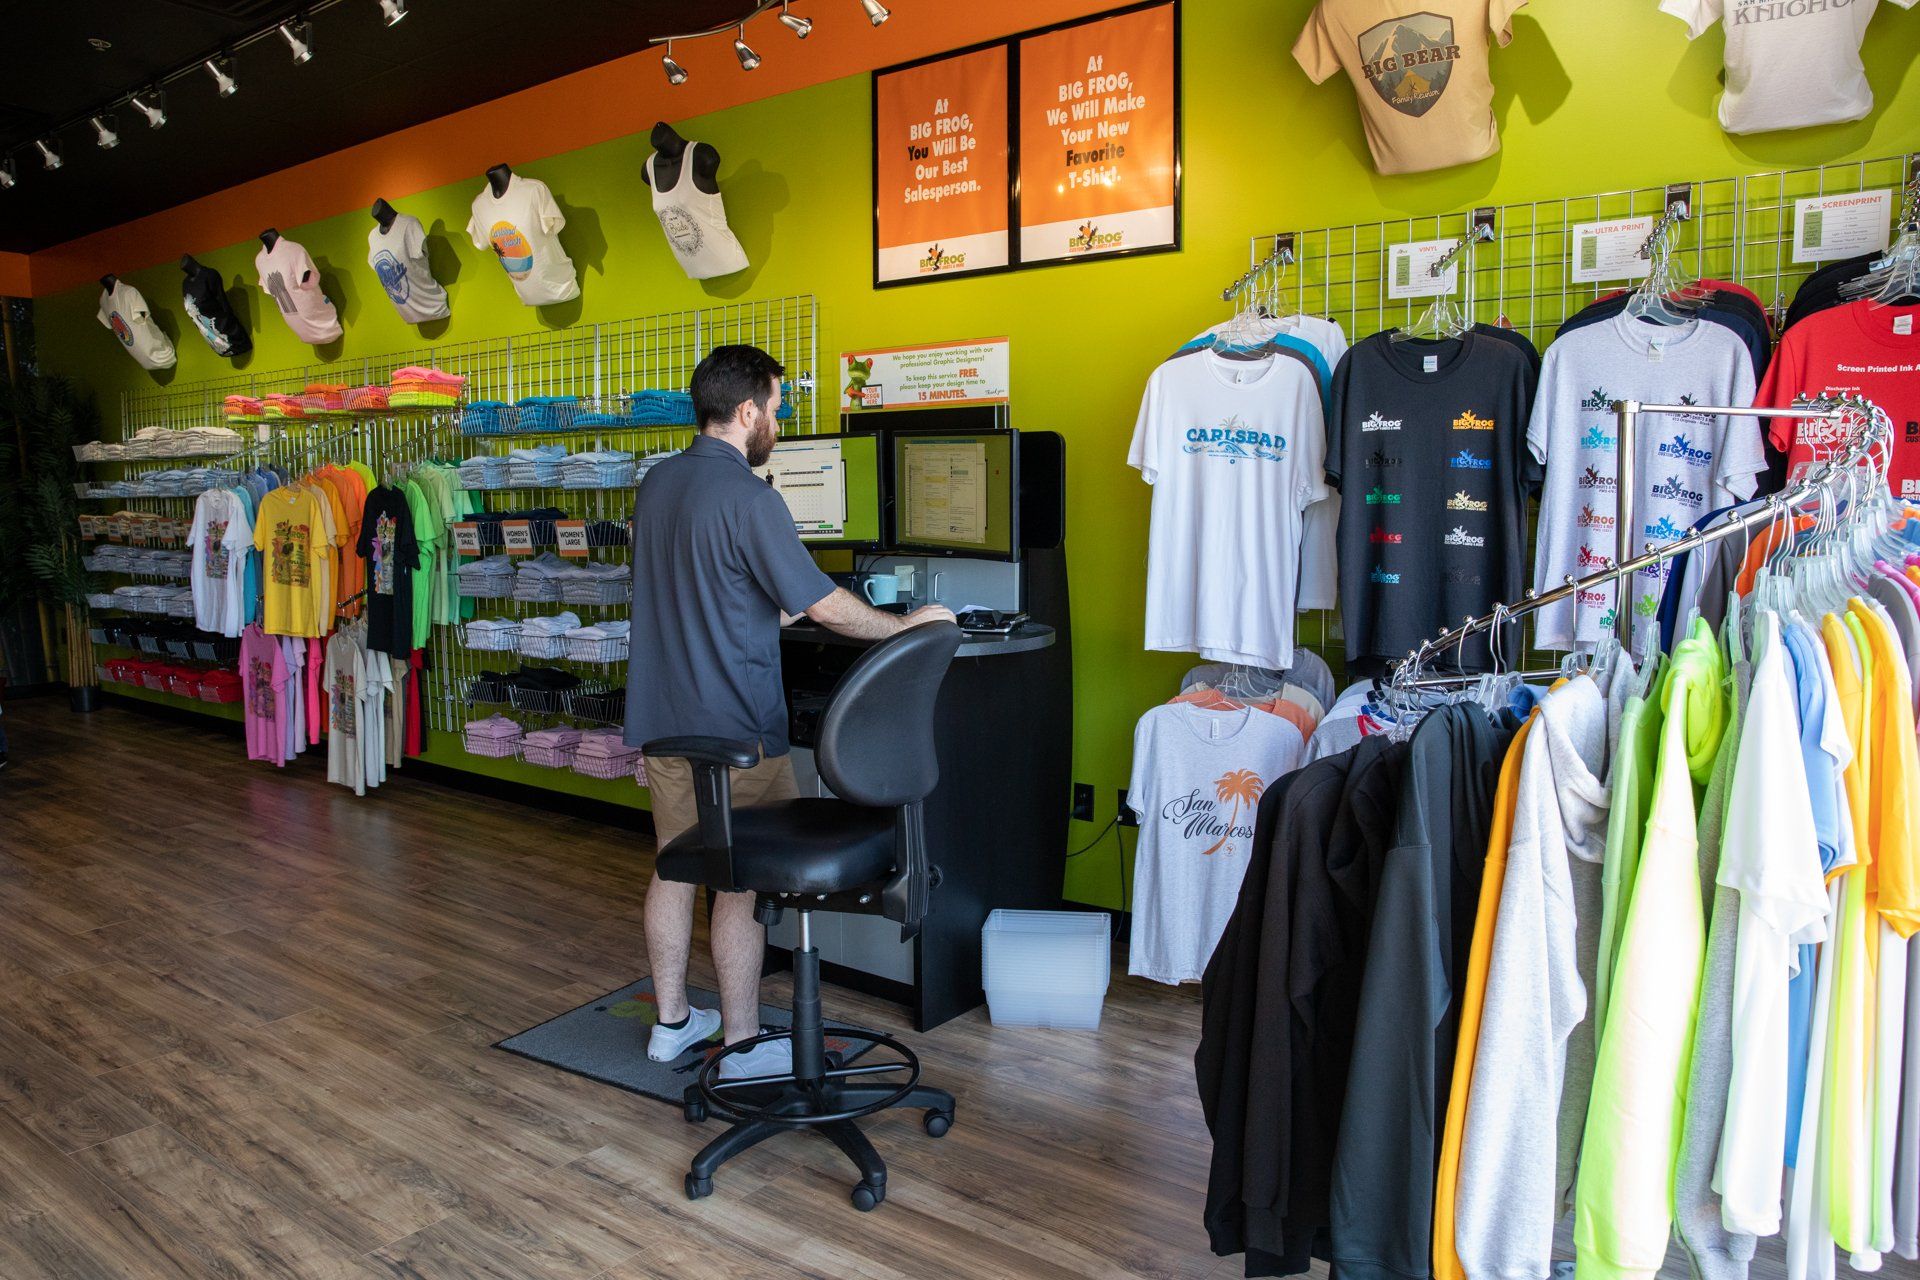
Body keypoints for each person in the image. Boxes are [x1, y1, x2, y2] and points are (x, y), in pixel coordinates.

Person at [625, 343, 954, 1080]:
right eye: (775, 408)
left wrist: (759, 619)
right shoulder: (751, 497)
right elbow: (822, 603)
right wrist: (908, 626)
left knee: (677, 867)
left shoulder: (656, 486)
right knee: (740, 880)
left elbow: (706, 593)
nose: (777, 421)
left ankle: (671, 1024)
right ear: (747, 413)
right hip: (736, 730)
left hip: (664, 721)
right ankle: (742, 1043)